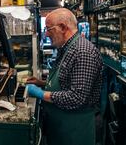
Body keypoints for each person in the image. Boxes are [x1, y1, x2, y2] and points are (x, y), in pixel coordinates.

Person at [26, 8, 103, 145]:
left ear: (62, 27)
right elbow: (66, 80)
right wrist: (42, 83)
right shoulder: (67, 47)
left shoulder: (82, 52)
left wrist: (40, 94)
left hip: (75, 128)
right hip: (62, 125)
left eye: (49, 29)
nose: (47, 34)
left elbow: (77, 98)